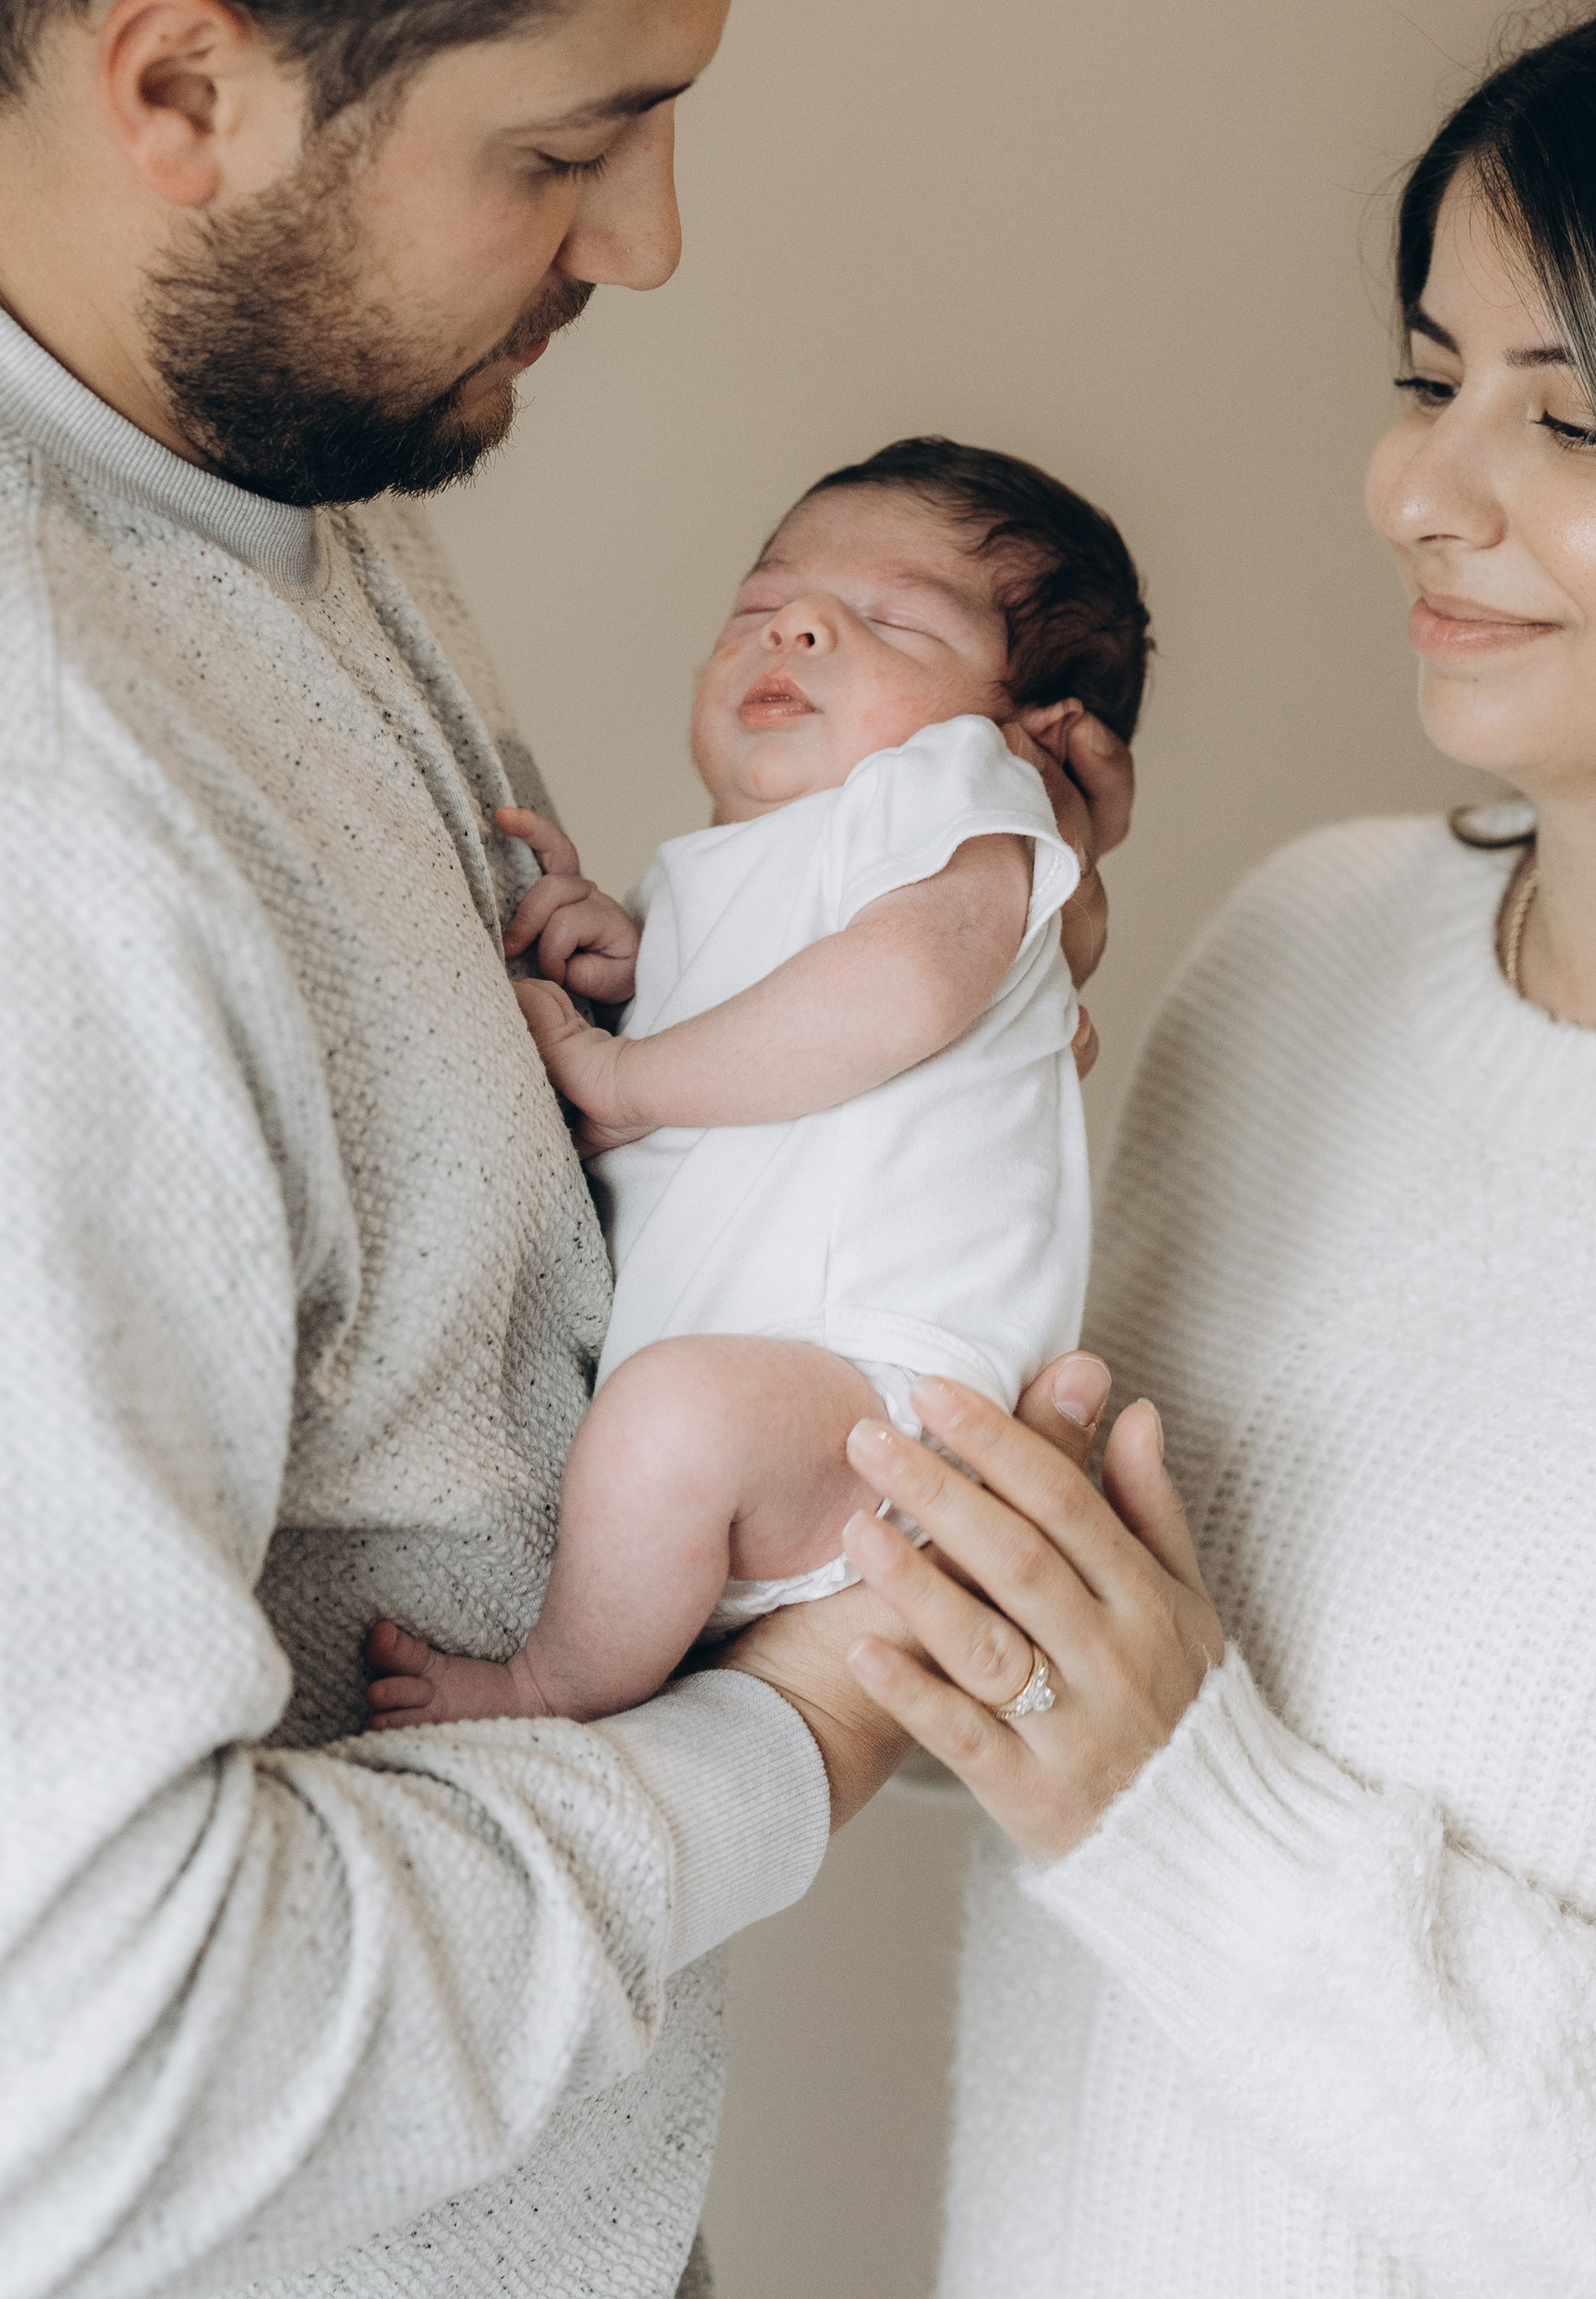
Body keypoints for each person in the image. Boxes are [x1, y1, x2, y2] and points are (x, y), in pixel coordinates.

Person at [0, 0, 1127, 2299]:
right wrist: (806, 1735)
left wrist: (905, 955)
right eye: (565, 146)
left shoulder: (245, 475)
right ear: (181, 84)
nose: (650, 246)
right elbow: (17, 2101)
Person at [826, 0, 1596, 2297]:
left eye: (1566, 418)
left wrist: (1191, 1811)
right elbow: (1001, 1701)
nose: (1417, 490)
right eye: (1426, 378)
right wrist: (859, 1080)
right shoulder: (1300, 951)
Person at [363, 437, 1149, 1725]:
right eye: (761, 604)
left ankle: (549, 1686)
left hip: (882, 1399)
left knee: (671, 1420)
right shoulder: (719, 875)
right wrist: (629, 957)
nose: (798, 624)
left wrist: (623, 1073)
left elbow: (890, 990)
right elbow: (768, 1022)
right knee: (665, 1423)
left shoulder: (957, 795)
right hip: (775, 1409)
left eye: (891, 617)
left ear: (1026, 733)